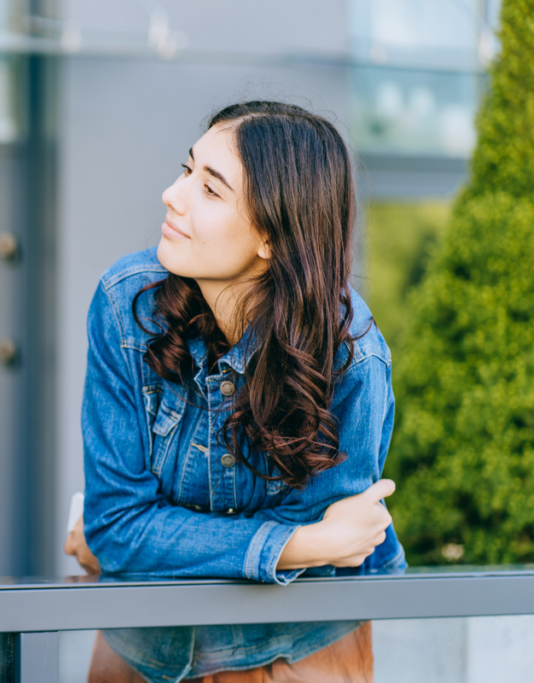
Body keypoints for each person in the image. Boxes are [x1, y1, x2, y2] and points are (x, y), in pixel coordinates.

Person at [65, 101, 405, 683]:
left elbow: (334, 555)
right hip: (149, 647)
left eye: (211, 189)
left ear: (273, 236)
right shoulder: (127, 306)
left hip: (297, 646)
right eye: (186, 169)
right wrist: (294, 544)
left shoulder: (352, 359)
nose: (173, 194)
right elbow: (117, 528)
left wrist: (158, 538)